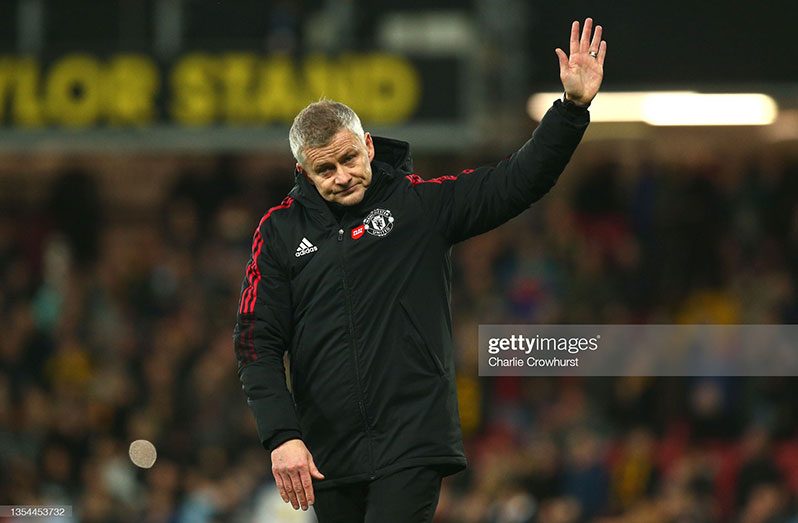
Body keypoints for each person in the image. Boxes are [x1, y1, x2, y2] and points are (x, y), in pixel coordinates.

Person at [233, 17, 606, 523]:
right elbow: (257, 343)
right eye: (325, 169)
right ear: (303, 172)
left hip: (411, 442)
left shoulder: (418, 207)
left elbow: (514, 183)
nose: (342, 176)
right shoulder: (277, 232)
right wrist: (283, 436)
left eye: (348, 158)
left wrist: (571, 109)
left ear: (368, 144)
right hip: (325, 455)